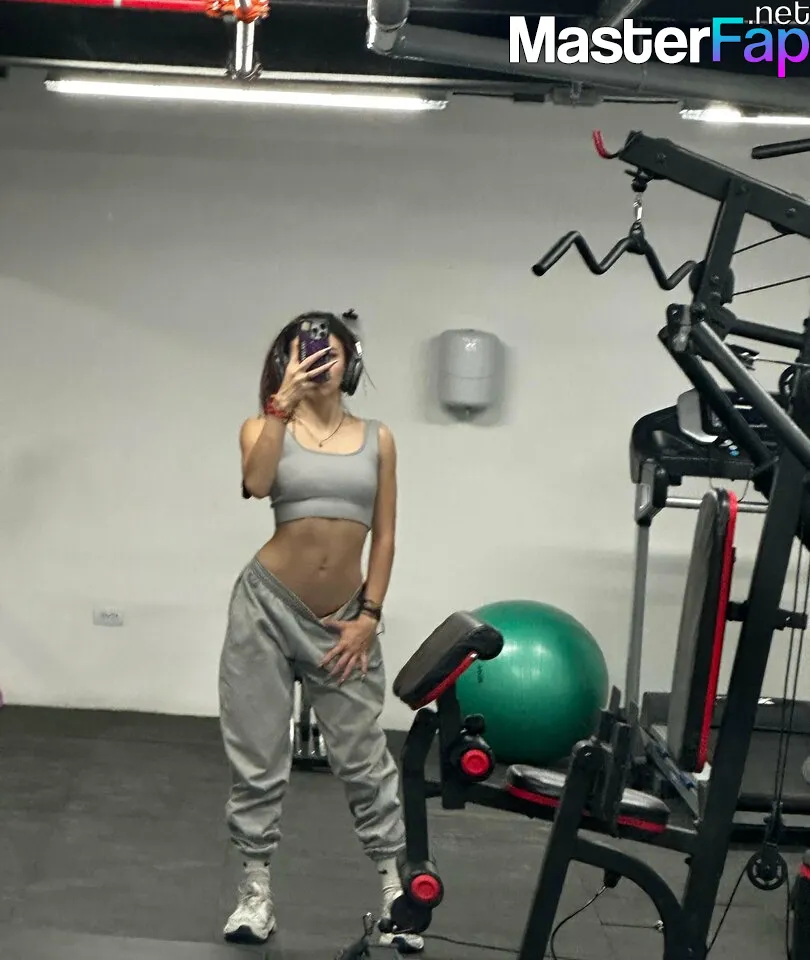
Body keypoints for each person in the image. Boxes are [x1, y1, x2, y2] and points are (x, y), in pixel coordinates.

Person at [218, 310, 423, 953]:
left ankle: (396, 895)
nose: (319, 362)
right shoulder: (262, 427)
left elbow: (385, 536)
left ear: (350, 363)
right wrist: (279, 407)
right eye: (305, 351)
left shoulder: (378, 438)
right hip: (266, 605)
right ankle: (254, 894)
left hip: (345, 619)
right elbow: (256, 483)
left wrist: (369, 616)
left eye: (330, 351)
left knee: (363, 758)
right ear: (285, 362)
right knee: (258, 756)